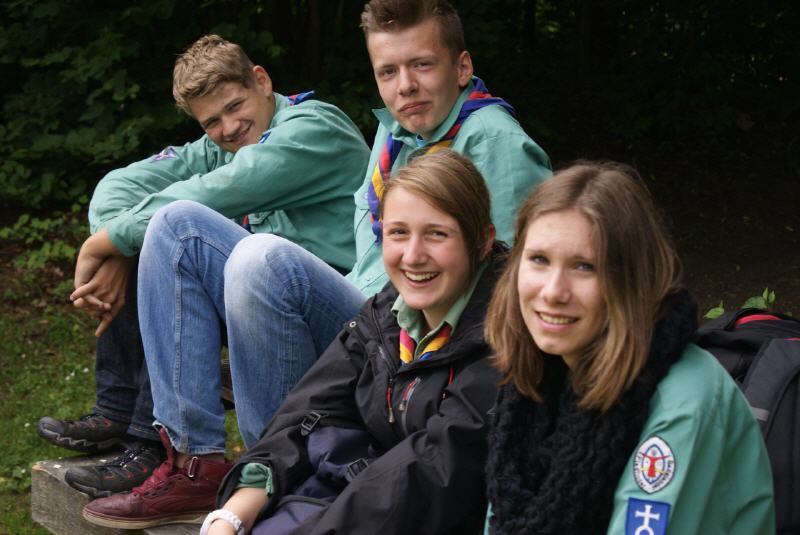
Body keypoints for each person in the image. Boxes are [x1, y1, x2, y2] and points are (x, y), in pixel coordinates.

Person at [80, 0, 550, 528]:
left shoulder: (492, 140)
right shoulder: (397, 134)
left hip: (421, 346)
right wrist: (111, 242)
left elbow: (509, 291)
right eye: (388, 72)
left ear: (461, 67)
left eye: (422, 65)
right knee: (175, 229)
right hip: (371, 324)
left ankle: (266, 473)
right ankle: (205, 464)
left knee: (255, 257)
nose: (405, 86)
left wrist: (105, 244)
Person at [36, 34, 370, 499]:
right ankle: (129, 421)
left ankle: (172, 451)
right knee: (149, 237)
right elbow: (118, 186)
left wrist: (106, 244)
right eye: (211, 121)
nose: (229, 127)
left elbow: (225, 189)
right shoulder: (223, 146)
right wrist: (117, 248)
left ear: (261, 81)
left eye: (235, 106)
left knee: (173, 228)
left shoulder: (314, 127)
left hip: (346, 327)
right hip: (268, 314)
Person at [201, 150, 504, 535]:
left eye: (437, 234)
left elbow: (428, 476)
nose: (413, 256)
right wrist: (231, 515)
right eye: (398, 232)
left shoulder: (504, 340)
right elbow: (309, 411)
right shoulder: (384, 313)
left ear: (482, 241)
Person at [482, 162, 775, 534]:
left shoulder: (683, 403)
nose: (553, 291)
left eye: (585, 266)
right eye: (539, 259)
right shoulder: (538, 383)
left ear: (633, 280)